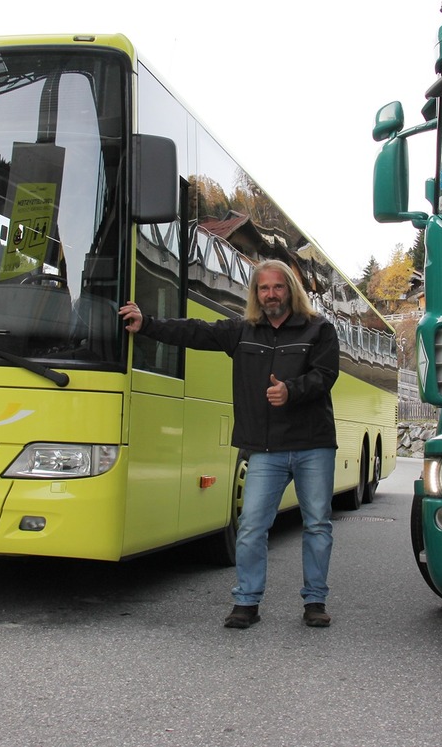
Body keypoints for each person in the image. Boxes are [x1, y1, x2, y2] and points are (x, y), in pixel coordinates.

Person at [117, 259, 340, 629]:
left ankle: (315, 601)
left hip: (312, 443)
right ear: (256, 294)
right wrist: (149, 324)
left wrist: (291, 390)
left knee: (317, 524)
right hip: (265, 447)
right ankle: (247, 602)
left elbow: (325, 375)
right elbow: (195, 332)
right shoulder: (242, 331)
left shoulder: (319, 329)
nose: (270, 295)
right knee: (251, 525)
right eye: (263, 288)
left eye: (278, 287)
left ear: (291, 290)